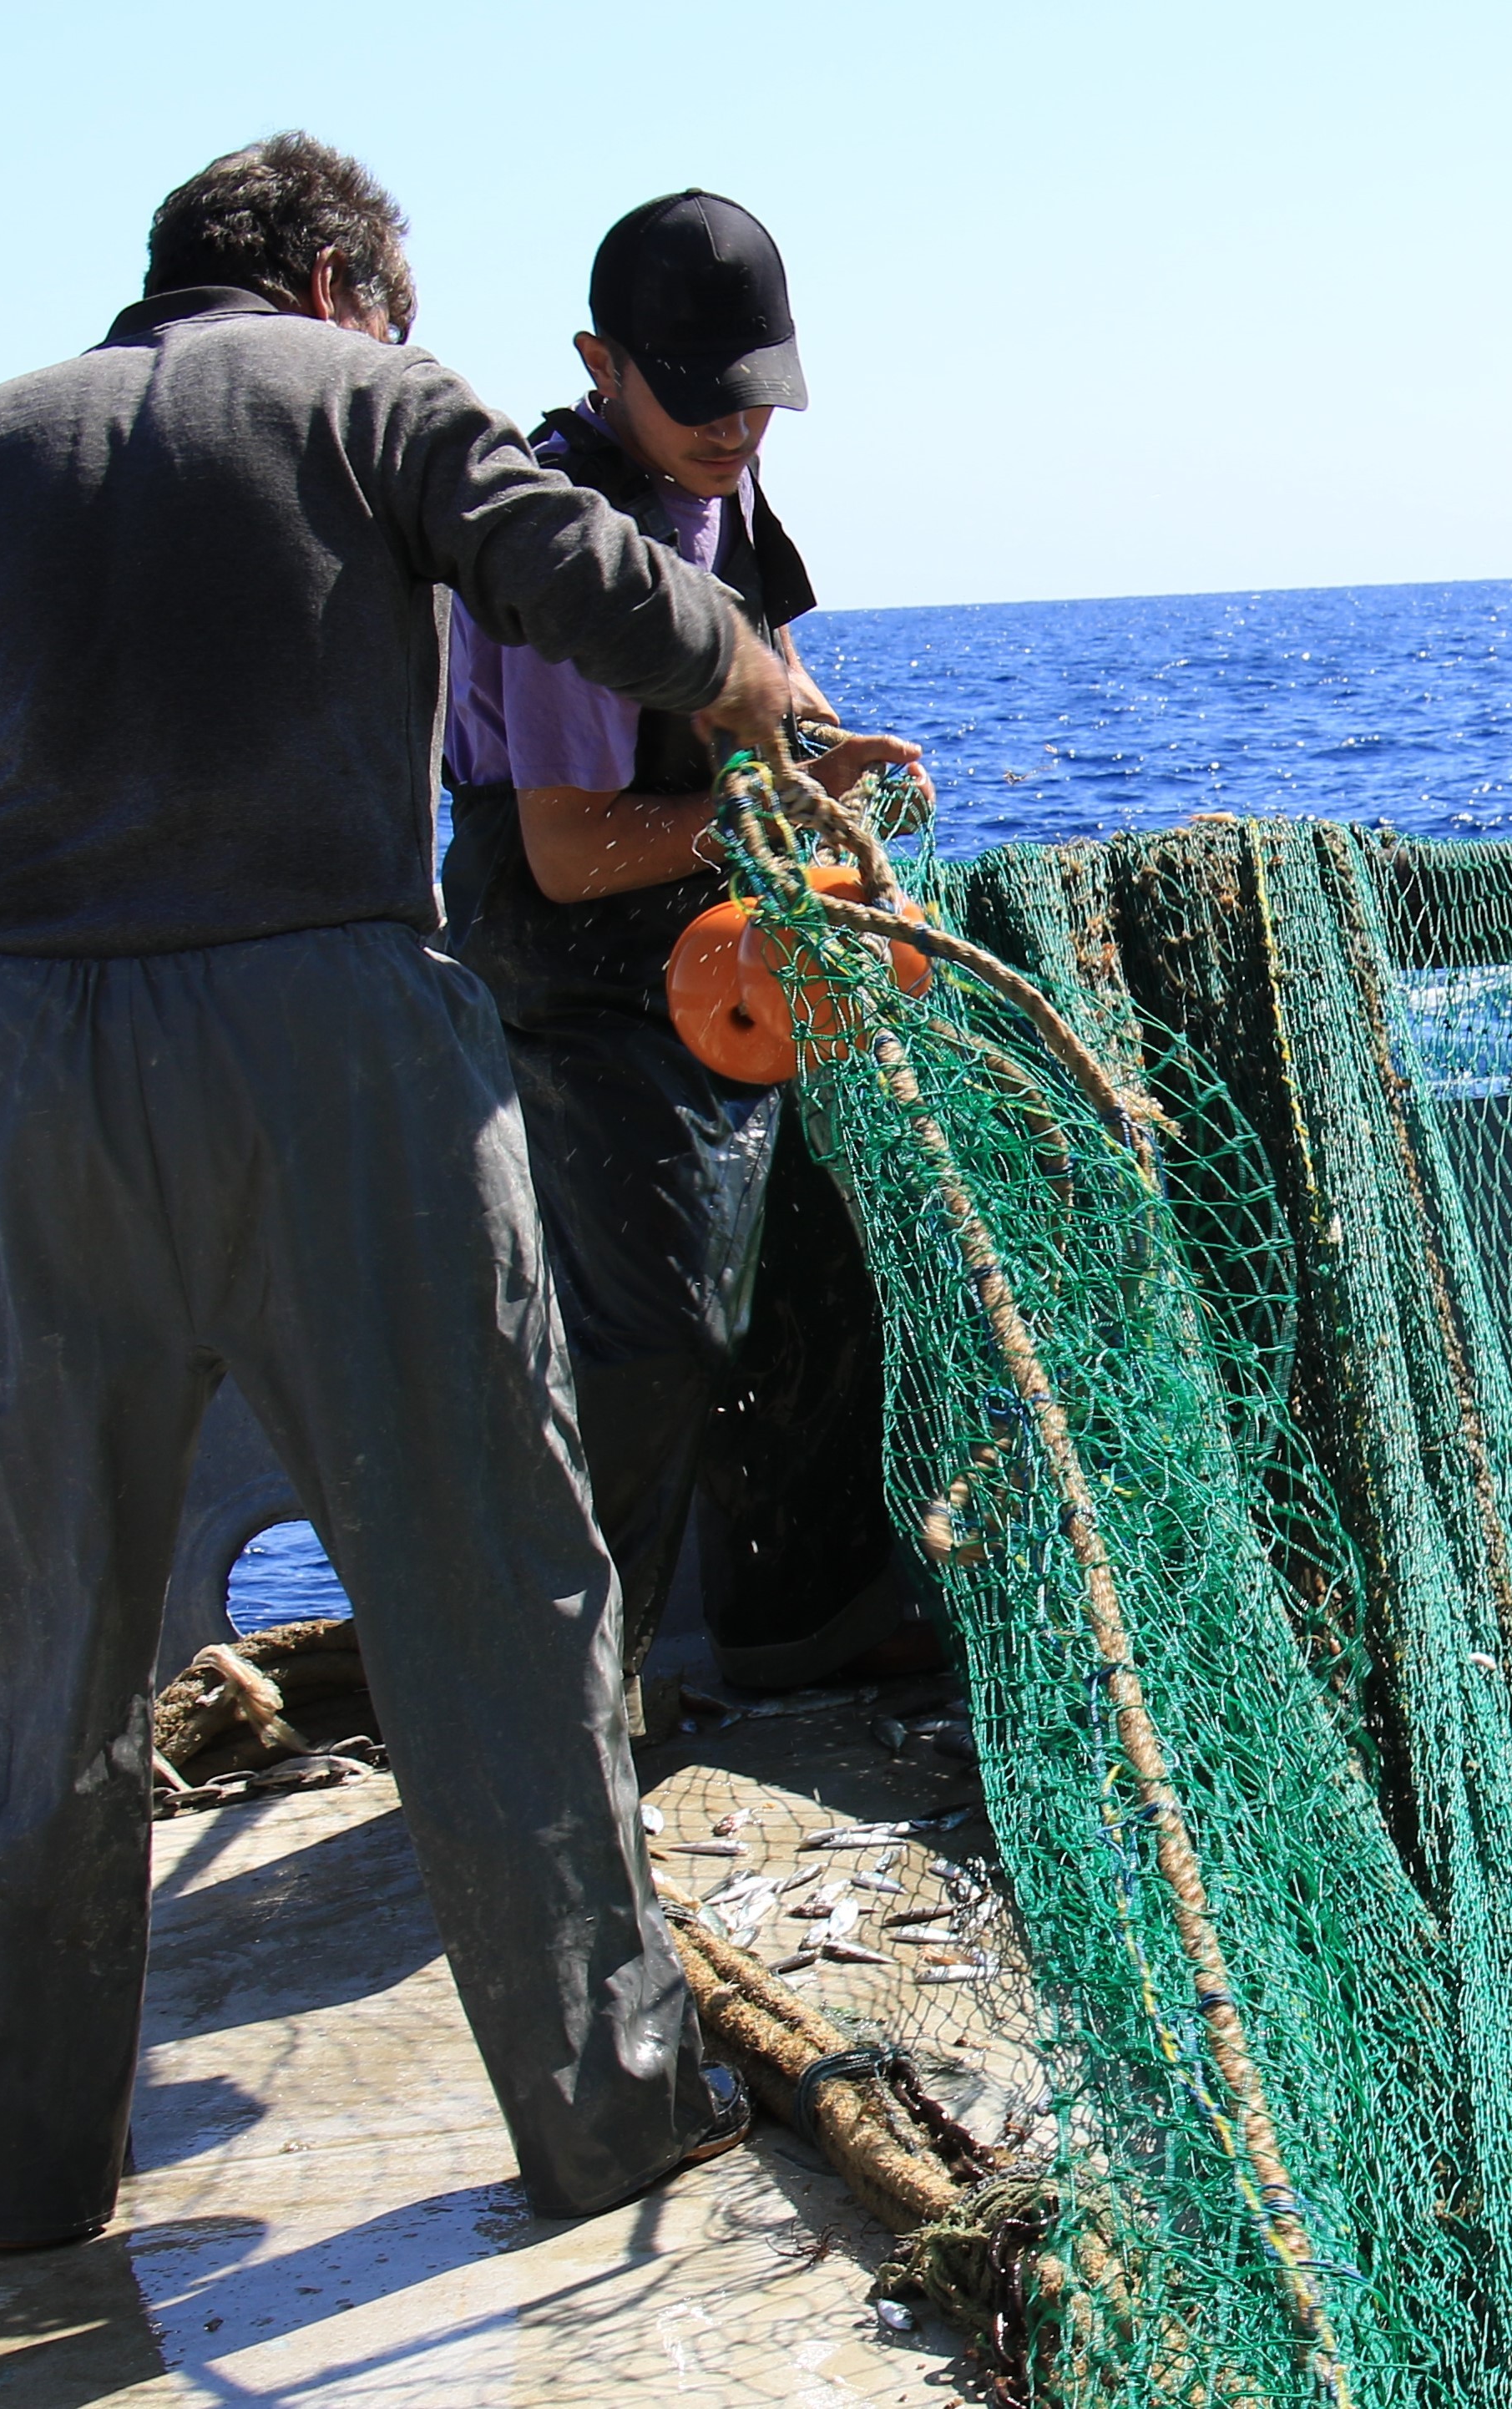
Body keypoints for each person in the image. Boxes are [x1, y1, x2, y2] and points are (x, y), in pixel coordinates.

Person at [0, 133, 787, 2248]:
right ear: (341, 281)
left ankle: (36, 2184)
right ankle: (613, 2115)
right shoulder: (368, 399)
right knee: (493, 1577)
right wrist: (754, 684)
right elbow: (588, 578)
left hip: (42, 1068)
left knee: (45, 1642)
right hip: (340, 1043)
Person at [440, 190, 938, 1693]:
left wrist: (833, 762)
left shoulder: (724, 486)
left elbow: (774, 684)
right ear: (602, 364)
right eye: (703, 400)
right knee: (658, 1328)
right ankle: (573, 1698)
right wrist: (769, 814)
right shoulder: (566, 551)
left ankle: (808, 1623)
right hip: (575, 963)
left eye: (761, 400)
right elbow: (566, 844)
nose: (738, 432)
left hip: (718, 942)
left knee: (813, 1268)